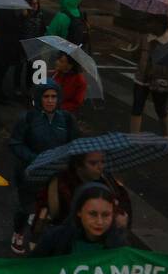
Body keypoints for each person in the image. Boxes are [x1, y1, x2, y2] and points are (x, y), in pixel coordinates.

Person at [8, 81, 79, 254]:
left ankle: (38, 239)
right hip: (30, 172)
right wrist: (35, 158)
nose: (50, 100)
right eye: (46, 96)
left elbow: (73, 143)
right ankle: (18, 232)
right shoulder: (28, 118)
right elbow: (15, 143)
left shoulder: (66, 119)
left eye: (53, 97)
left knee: (49, 208)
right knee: (26, 207)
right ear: (39, 98)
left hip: (55, 173)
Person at [29, 150, 132, 250]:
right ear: (78, 166)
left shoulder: (107, 180)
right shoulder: (60, 185)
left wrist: (119, 216)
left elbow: (122, 200)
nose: (100, 167)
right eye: (93, 163)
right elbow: (46, 211)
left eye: (102, 162)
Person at [30, 181, 132, 257]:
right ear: (79, 212)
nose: (99, 222)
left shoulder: (120, 247)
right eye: (92, 214)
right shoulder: (55, 239)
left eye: (106, 215)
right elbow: (31, 270)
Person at [130, 16, 168, 137]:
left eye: (151, 22)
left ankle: (166, 137)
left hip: (162, 82)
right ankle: (133, 137)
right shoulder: (145, 37)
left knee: (161, 110)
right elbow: (136, 56)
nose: (148, 25)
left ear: (161, 24)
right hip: (142, 79)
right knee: (137, 106)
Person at [0, 7, 23, 104]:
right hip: (4, 47)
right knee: (0, 72)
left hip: (6, 46)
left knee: (1, 72)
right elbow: (10, 28)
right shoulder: (4, 12)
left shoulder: (4, 11)